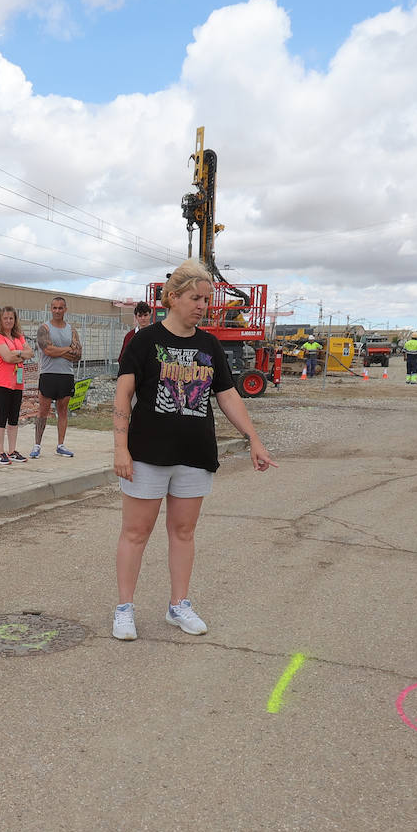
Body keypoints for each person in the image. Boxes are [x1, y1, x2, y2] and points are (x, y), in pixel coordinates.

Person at [111, 258, 275, 641]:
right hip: (148, 454)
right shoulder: (145, 341)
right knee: (136, 532)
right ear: (172, 298)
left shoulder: (209, 345)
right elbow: (123, 395)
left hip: (194, 454)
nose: (203, 305)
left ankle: (178, 605)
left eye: (206, 299)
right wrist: (120, 448)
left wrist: (254, 437)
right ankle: (124, 609)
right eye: (196, 298)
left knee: (183, 532)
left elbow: (228, 394)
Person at [30, 296, 82, 458]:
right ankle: (37, 446)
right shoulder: (44, 329)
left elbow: (77, 354)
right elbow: (48, 351)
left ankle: (61, 445)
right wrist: (67, 349)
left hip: (66, 376)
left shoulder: (72, 330)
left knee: (63, 410)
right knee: (43, 411)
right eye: (54, 308)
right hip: (48, 374)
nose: (57, 311)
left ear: (65, 309)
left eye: (60, 308)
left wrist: (58, 350)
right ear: (50, 309)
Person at [0, 305, 34, 464]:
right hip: (2, 382)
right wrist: (20, 355)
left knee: (14, 417)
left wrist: (17, 353)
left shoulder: (19, 337)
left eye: (11, 318)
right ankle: (0, 452)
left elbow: (31, 353)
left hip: (17, 383)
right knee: (2, 416)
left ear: (15, 320)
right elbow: (7, 358)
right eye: (5, 318)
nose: (8, 321)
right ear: (0, 320)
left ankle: (12, 450)